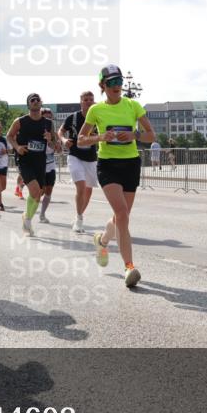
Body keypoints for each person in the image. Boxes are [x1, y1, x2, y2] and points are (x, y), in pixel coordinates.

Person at [77, 65, 155, 288]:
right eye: (111, 82)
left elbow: (151, 135)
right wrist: (101, 137)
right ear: (102, 85)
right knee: (122, 213)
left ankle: (102, 241)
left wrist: (135, 134)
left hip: (130, 163)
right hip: (108, 165)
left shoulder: (133, 105)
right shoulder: (95, 110)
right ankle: (129, 267)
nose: (116, 86)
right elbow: (81, 140)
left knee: (122, 217)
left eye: (119, 81)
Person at [7, 93, 53, 236]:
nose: (35, 101)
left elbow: (55, 145)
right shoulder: (20, 121)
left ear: (41, 103)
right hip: (25, 160)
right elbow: (9, 136)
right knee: (34, 191)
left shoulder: (48, 123)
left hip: (40, 161)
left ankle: (26, 218)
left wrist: (50, 139)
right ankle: (27, 222)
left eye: (37, 99)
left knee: (38, 194)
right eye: (32, 100)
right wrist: (17, 147)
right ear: (28, 104)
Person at [60, 91, 99, 233]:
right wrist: (64, 140)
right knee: (81, 187)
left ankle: (78, 216)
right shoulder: (73, 117)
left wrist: (98, 136)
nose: (89, 102)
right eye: (86, 99)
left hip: (90, 157)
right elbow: (60, 131)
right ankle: (80, 219)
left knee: (88, 191)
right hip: (75, 155)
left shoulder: (97, 117)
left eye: (91, 99)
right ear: (81, 102)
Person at [38, 107, 61, 223]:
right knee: (38, 192)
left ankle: (42, 214)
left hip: (50, 166)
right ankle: (30, 211)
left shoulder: (54, 135)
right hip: (39, 167)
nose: (48, 121)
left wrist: (50, 140)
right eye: (45, 118)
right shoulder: (36, 133)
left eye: (50, 118)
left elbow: (59, 150)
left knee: (48, 191)